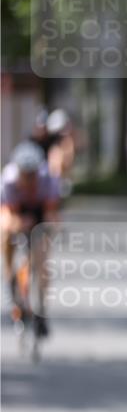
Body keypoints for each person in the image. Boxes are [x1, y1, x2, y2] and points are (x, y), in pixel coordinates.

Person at [1, 141, 61, 336]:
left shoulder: (48, 180)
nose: (28, 179)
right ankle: (10, 278)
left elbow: (51, 215)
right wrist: (17, 224)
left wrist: (49, 230)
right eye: (24, 175)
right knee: (5, 233)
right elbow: (9, 216)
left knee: (42, 260)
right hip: (16, 211)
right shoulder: (9, 181)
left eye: (32, 174)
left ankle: (41, 311)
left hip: (39, 212)